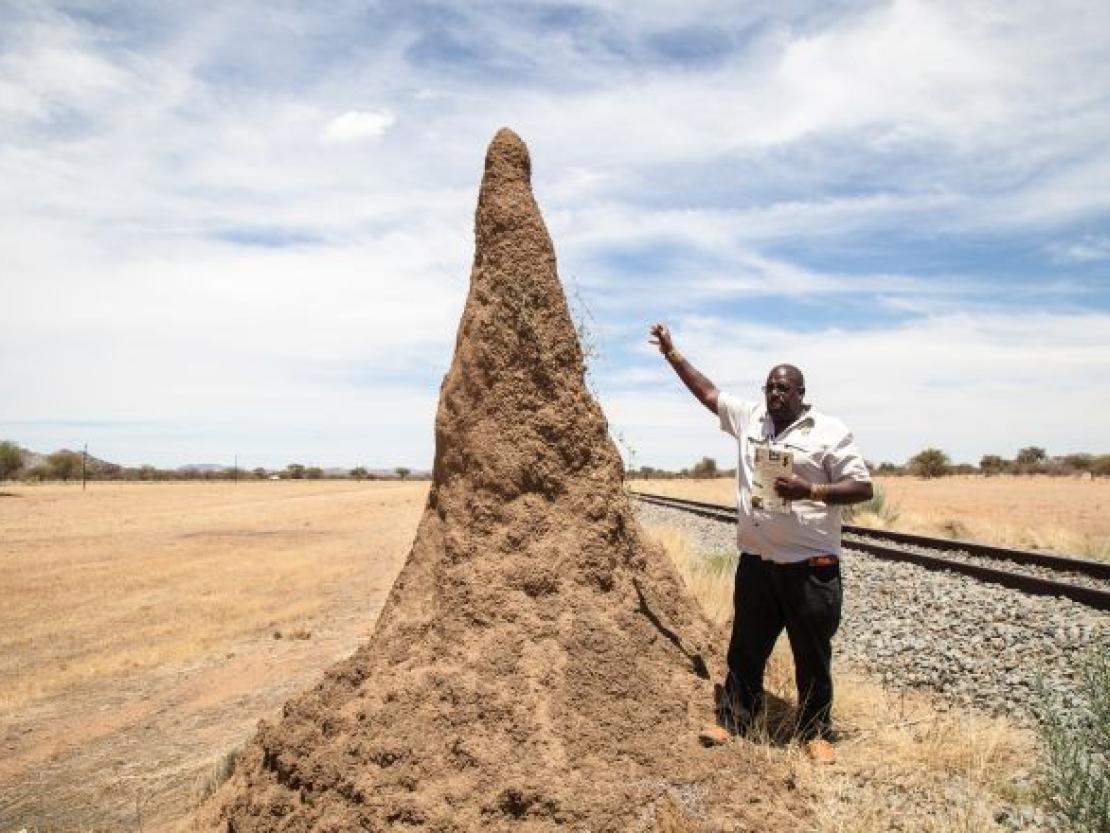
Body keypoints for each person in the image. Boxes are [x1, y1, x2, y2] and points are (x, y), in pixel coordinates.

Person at [649, 322, 873, 763]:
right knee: (745, 649)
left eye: (784, 388)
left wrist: (812, 491)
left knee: (811, 655)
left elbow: (862, 486)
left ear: (801, 393)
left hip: (811, 566)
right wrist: (673, 354)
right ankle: (734, 719)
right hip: (758, 563)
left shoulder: (828, 431)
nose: (775, 394)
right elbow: (708, 394)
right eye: (770, 386)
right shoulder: (752, 419)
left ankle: (815, 733)